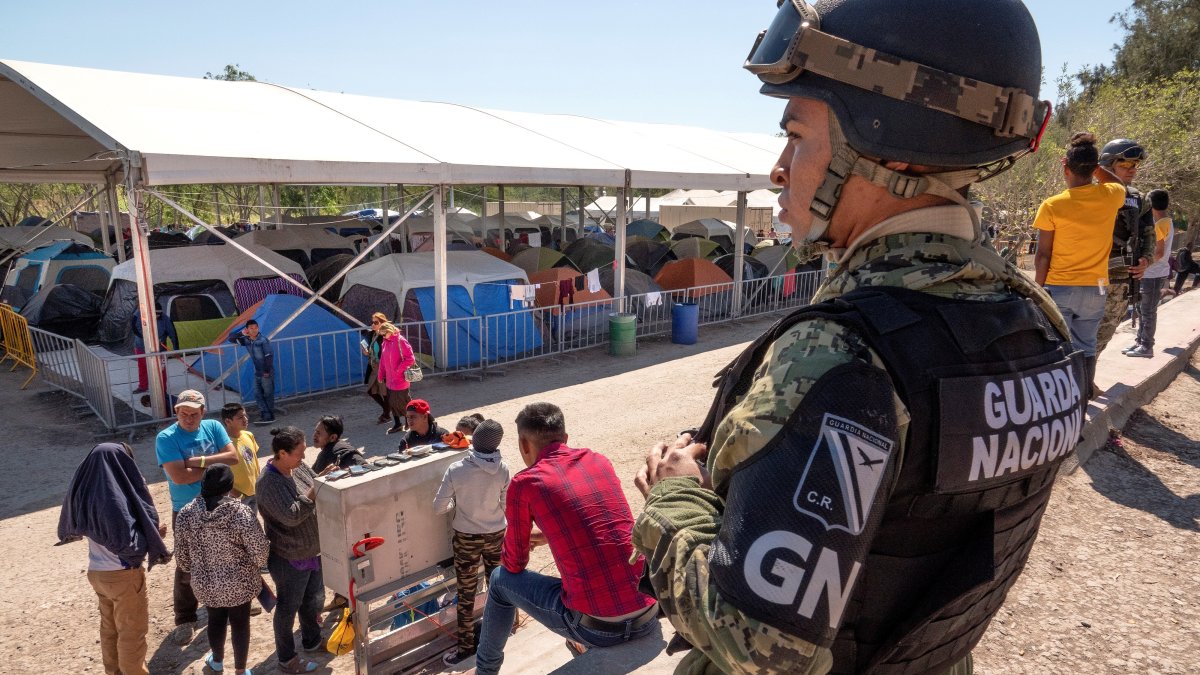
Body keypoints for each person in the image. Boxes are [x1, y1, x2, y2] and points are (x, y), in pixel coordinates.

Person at [633, 2, 1087, 673]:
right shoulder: (1036, 318)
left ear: (888, 145)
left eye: (797, 135)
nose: (779, 169)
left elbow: (762, 648)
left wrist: (674, 497)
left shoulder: (843, 355)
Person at [474, 403, 657, 675]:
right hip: (648, 616)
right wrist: (551, 533)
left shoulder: (525, 483)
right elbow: (599, 525)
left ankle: (484, 672)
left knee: (500, 580)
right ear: (566, 439)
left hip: (598, 630)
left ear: (524, 444)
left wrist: (523, 540)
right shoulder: (598, 460)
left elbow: (514, 564)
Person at [58, 443, 170, 675]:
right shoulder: (114, 496)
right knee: (131, 634)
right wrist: (154, 534)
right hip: (122, 574)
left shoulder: (85, 488)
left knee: (109, 630)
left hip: (97, 572)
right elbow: (126, 540)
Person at [1033, 132, 1126, 396]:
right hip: (1095, 290)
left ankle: (1057, 405)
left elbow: (1042, 255)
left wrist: (1037, 290)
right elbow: (1119, 183)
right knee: (1086, 348)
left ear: (1065, 167)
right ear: (1095, 169)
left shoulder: (1052, 205)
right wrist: (1098, 169)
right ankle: (1081, 404)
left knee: (1056, 347)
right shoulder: (1110, 196)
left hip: (1060, 288)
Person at [155, 389, 240, 646]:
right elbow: (179, 477)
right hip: (186, 508)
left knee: (227, 554)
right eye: (183, 414)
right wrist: (215, 471)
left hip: (220, 505)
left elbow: (233, 458)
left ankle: (230, 601)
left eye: (193, 414)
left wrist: (196, 461)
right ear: (176, 412)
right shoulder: (166, 437)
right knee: (186, 564)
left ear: (203, 412)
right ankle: (185, 618)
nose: (188, 419)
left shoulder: (213, 427)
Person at [175, 465, 270, 675]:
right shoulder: (240, 513)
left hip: (205, 585)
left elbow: (182, 559)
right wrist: (256, 565)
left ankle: (216, 661)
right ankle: (240, 670)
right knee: (240, 624)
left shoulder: (185, 515)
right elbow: (260, 551)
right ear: (229, 486)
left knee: (215, 619)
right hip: (240, 584)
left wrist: (197, 569)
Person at [433, 419, 512, 665]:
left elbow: (438, 507)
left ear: (473, 440)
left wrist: (458, 505)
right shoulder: (503, 469)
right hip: (497, 534)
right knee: (500, 589)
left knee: (466, 595)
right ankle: (504, 636)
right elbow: (506, 505)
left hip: (466, 538)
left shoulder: (456, 469)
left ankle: (466, 647)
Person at [256, 426, 322, 674]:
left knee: (311, 600)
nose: (303, 458)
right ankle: (286, 658)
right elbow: (292, 516)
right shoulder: (268, 483)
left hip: (311, 551)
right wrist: (315, 491)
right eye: (299, 453)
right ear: (282, 453)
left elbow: (314, 479)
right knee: (287, 608)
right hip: (289, 557)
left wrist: (325, 478)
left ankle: (312, 641)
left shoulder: (298, 467)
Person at [1093, 138, 1156, 357]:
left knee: (1105, 331)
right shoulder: (1090, 194)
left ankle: (1088, 378)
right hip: (1089, 277)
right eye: (1125, 165)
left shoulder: (1140, 199)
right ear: (1108, 166)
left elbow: (1149, 235)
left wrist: (1146, 260)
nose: (1132, 170)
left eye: (1134, 166)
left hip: (1120, 279)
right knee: (1079, 330)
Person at [1126, 189, 1174, 358]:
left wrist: (1144, 265)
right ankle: (1140, 341)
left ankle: (1147, 346)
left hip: (1153, 274)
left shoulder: (1159, 224)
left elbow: (1159, 252)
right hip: (1151, 273)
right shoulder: (1166, 221)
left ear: (1150, 204)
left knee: (1147, 311)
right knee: (1141, 308)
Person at [229, 319, 277, 425]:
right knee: (257, 393)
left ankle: (270, 415)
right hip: (257, 372)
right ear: (247, 330)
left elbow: (269, 356)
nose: (254, 330)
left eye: (256, 327)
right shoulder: (246, 340)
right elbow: (231, 338)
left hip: (266, 372)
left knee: (268, 393)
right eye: (251, 328)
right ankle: (265, 414)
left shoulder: (263, 340)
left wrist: (266, 371)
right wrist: (241, 333)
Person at [220, 402, 262, 517]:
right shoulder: (223, 445)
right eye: (240, 417)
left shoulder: (248, 435)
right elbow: (220, 474)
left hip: (254, 491)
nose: (245, 419)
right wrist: (235, 492)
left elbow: (252, 461)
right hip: (237, 497)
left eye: (245, 415)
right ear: (228, 421)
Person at [376, 320, 416, 435]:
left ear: (389, 331)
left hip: (401, 379)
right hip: (390, 380)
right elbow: (383, 360)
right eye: (382, 335)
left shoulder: (400, 340)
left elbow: (410, 358)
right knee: (392, 402)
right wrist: (380, 374)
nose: (383, 336)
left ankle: (410, 421)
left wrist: (398, 369)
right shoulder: (385, 342)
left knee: (404, 401)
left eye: (384, 334)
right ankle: (398, 423)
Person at [131, 305, 178, 395]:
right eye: (155, 314)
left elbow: (173, 333)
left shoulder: (165, 319)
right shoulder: (140, 314)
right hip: (141, 347)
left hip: (160, 350)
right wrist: (149, 339)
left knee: (161, 369)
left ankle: (162, 389)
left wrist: (176, 349)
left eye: (159, 314)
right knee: (143, 367)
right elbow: (135, 328)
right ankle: (143, 386)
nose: (157, 316)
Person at [363, 312, 391, 424]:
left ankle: (387, 414)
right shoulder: (372, 335)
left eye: (376, 322)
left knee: (385, 392)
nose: (373, 324)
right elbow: (373, 352)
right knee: (371, 391)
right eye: (372, 322)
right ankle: (387, 411)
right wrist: (367, 353)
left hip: (383, 368)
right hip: (374, 367)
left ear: (382, 323)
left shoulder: (385, 336)